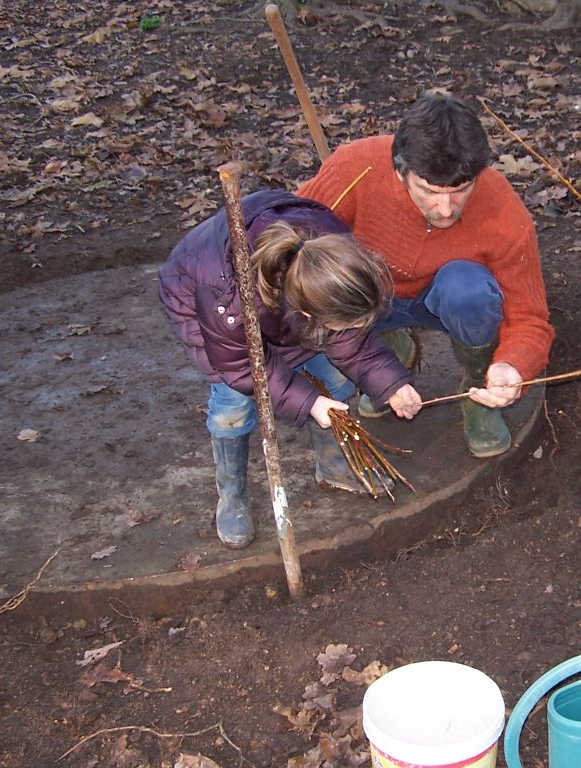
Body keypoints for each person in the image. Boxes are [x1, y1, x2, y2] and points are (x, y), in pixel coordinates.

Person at [295, 91, 554, 459]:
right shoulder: (356, 168)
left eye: (461, 190)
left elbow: (529, 316)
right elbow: (293, 240)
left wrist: (513, 365)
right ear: (400, 171)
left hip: (443, 298)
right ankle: (386, 352)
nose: (445, 209)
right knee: (336, 276)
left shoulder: (502, 209)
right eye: (429, 191)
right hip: (371, 297)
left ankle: (477, 392)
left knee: (470, 291)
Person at [159, 189, 423, 549]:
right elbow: (244, 368)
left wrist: (391, 385)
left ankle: (334, 465)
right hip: (201, 303)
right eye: (343, 324)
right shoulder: (227, 297)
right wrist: (310, 403)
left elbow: (350, 341)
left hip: (282, 304)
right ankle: (232, 495)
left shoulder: (334, 256)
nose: (351, 330)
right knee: (233, 406)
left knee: (333, 377)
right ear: (309, 314)